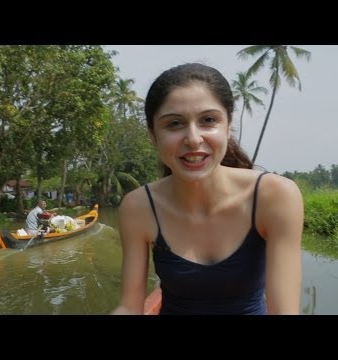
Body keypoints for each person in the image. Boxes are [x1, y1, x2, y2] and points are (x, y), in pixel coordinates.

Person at [112, 63, 304, 315]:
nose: (193, 139)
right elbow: (129, 307)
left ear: (228, 125)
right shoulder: (139, 206)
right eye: (174, 124)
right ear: (152, 134)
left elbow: (284, 311)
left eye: (208, 120)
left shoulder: (274, 196)